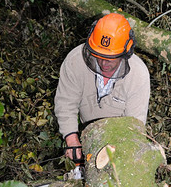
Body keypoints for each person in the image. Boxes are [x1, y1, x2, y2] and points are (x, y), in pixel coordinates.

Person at [54, 13, 150, 160]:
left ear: (126, 52)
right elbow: (66, 103)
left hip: (120, 137)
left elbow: (134, 124)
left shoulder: (138, 75)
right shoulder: (75, 61)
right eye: (98, 56)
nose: (104, 63)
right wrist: (71, 138)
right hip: (87, 133)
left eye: (110, 58)